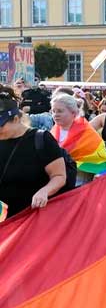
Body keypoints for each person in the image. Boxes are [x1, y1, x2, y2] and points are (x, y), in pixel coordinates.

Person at [0, 86, 66, 218]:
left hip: (31, 217)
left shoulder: (41, 139)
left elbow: (59, 176)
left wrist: (45, 191)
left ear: (16, 119)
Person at [50, 93, 106, 184]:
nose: (55, 114)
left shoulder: (87, 133)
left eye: (60, 111)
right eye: (53, 111)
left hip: (79, 181)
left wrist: (100, 175)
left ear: (73, 113)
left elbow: (104, 164)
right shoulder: (53, 132)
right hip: (56, 180)